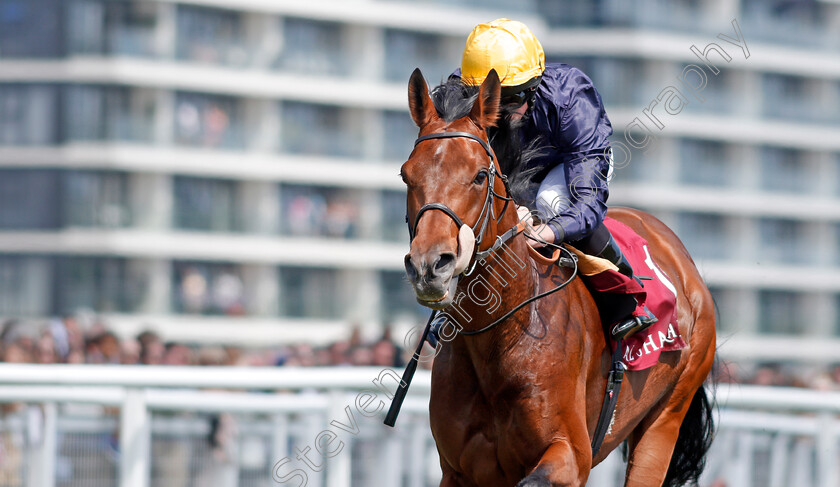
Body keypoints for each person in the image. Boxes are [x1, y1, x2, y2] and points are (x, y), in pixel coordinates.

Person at [455, 18, 655, 340]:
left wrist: (545, 233)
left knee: (551, 201)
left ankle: (624, 299)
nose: (499, 115)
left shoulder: (572, 100)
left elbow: (588, 205)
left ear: (532, 90)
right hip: (510, 170)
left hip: (568, 168)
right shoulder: (461, 93)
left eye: (511, 101)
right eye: (488, 100)